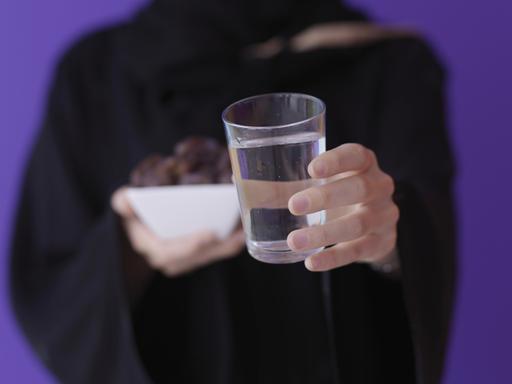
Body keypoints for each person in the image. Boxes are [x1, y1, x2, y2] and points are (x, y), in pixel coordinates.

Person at [9, 0, 456, 383]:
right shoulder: (95, 72)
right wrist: (130, 250)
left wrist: (389, 237)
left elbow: (427, 239)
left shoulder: (387, 60)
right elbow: (49, 272)